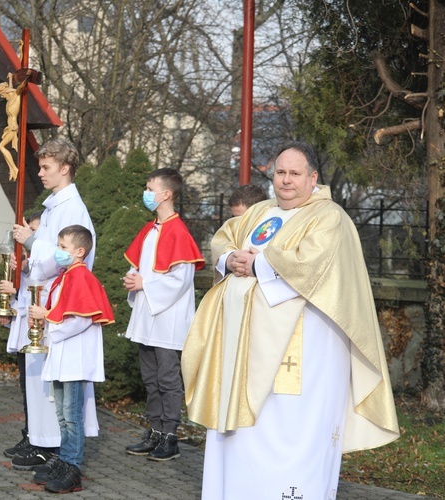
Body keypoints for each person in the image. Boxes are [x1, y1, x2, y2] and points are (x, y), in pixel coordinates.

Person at [181, 142, 399, 499]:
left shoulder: (329, 217)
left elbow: (313, 265)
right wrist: (230, 259)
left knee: (293, 428)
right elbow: (224, 239)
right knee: (244, 439)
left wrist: (258, 264)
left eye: (295, 174)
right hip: (243, 351)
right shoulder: (260, 212)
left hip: (306, 349)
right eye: (280, 172)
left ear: (313, 178)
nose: (286, 180)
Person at [11, 137, 97, 471]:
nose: (41, 173)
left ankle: (53, 446)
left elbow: (64, 257)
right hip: (43, 298)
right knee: (39, 379)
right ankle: (41, 438)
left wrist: (30, 241)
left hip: (57, 301)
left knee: (51, 383)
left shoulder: (72, 209)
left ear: (65, 168)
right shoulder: (53, 206)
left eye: (47, 167)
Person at [122, 168, 205, 461]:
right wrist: (133, 279)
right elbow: (141, 267)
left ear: (166, 194)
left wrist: (145, 283)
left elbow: (179, 282)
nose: (146, 193)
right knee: (150, 377)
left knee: (168, 380)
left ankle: (170, 435)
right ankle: (155, 430)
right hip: (147, 316)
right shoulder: (149, 230)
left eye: (150, 188)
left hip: (168, 320)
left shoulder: (178, 232)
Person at [27, 225, 114, 493]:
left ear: (80, 251)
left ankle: (72, 469)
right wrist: (47, 316)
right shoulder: (67, 276)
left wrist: (47, 317)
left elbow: (83, 317)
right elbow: (63, 311)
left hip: (75, 356)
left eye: (63, 247)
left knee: (72, 416)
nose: (58, 251)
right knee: (62, 415)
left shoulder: (81, 277)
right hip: (63, 354)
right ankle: (63, 461)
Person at [0, 210, 43, 459]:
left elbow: (40, 296)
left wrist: (16, 295)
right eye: (30, 230)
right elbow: (22, 296)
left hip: (37, 332)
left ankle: (38, 439)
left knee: (37, 389)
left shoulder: (44, 264)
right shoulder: (26, 261)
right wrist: (9, 304)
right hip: (24, 331)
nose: (30, 235)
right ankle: (29, 434)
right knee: (26, 387)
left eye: (35, 231)